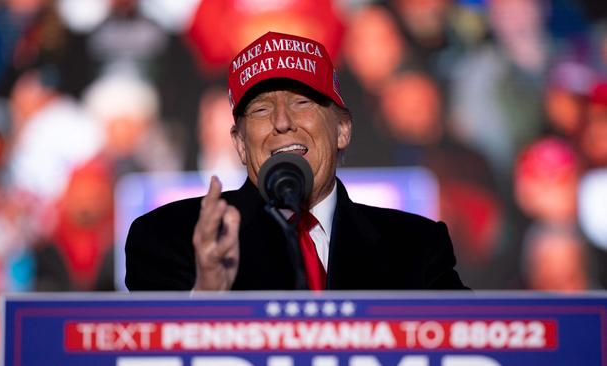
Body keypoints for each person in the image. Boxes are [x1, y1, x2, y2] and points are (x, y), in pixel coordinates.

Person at [125, 31, 467, 291]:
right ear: (240, 144)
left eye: (302, 103)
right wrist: (208, 302)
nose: (282, 121)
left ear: (342, 131)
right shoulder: (169, 238)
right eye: (260, 109)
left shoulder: (417, 247)